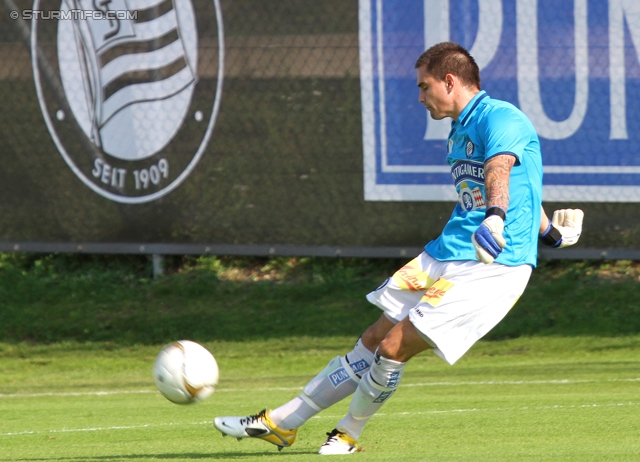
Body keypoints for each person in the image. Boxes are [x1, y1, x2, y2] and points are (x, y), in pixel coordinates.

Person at [212, 41, 584, 455]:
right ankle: (281, 423)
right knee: (373, 339)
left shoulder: (502, 117)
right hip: (446, 251)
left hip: (494, 264)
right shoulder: (458, 130)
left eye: (424, 87)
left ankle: (348, 433)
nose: (420, 97)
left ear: (449, 80)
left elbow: (500, 170)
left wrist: (495, 217)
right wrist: (552, 235)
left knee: (394, 347)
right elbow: (521, 190)